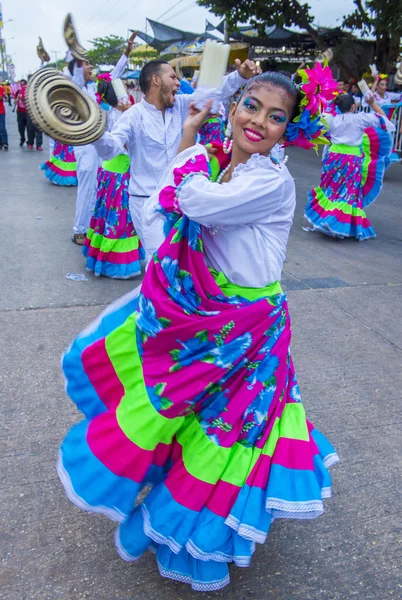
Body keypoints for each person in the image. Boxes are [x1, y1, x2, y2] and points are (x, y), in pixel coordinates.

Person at [58, 68, 339, 591]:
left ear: (287, 130)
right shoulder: (212, 163)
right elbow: (153, 217)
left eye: (276, 117)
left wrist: (187, 163)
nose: (259, 121)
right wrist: (190, 150)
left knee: (234, 434)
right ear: (231, 108)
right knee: (191, 420)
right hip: (205, 324)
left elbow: (191, 203)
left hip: (252, 331)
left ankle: (211, 531)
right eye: (251, 106)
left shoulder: (269, 181)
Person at [93, 58, 258, 246]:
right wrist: (93, 134)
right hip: (146, 203)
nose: (178, 82)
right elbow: (110, 149)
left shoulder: (181, 105)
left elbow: (213, 93)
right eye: (172, 76)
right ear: (156, 80)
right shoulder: (133, 115)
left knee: (179, 263)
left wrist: (240, 76)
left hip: (179, 200)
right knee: (158, 261)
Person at [69, 33, 136, 245]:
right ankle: (79, 230)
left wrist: (126, 52)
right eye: (86, 65)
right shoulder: (77, 88)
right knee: (87, 187)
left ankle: (91, 227)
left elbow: (115, 75)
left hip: (101, 146)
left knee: (97, 189)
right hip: (85, 146)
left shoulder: (96, 89)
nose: (91, 68)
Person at [305, 93, 395, 240]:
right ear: (353, 106)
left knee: (330, 191)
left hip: (333, 159)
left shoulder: (330, 118)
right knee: (346, 194)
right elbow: (384, 120)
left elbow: (313, 126)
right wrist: (372, 103)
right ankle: (333, 223)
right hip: (351, 161)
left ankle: (326, 219)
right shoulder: (360, 118)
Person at [82, 80, 143, 278]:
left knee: (106, 216)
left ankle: (102, 256)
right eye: (124, 92)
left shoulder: (112, 114)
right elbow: (126, 146)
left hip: (109, 171)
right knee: (119, 219)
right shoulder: (123, 118)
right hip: (119, 174)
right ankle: (114, 261)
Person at [15, 79, 28, 147]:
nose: (22, 86)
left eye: (23, 85)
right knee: (21, 128)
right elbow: (15, 101)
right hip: (20, 112)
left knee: (29, 128)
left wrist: (22, 98)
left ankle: (30, 141)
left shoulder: (28, 92)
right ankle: (22, 139)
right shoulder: (18, 91)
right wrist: (17, 100)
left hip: (27, 112)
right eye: (21, 85)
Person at [0, 83, 9, 150]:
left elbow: (1, 97)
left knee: (2, 128)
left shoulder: (1, 88)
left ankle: (5, 143)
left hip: (1, 111)